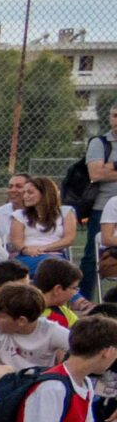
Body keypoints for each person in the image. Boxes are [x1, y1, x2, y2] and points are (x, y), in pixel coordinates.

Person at [0, 280, 70, 371]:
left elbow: (77, 349)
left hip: (40, 381)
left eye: (0, 316)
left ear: (21, 321)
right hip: (2, 379)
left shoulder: (51, 331)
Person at [83, 104, 117, 297]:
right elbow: (95, 173)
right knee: (92, 256)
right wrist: (105, 169)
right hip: (103, 208)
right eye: (115, 116)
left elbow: (103, 171)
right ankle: (84, 300)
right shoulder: (100, 143)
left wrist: (111, 167)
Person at [10, 179, 72, 268]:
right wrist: (26, 250)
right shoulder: (19, 215)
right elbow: (16, 241)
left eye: (30, 193)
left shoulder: (65, 212)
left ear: (45, 193)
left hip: (55, 254)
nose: (25, 196)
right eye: (24, 193)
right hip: (28, 255)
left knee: (53, 265)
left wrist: (42, 248)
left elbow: (68, 239)